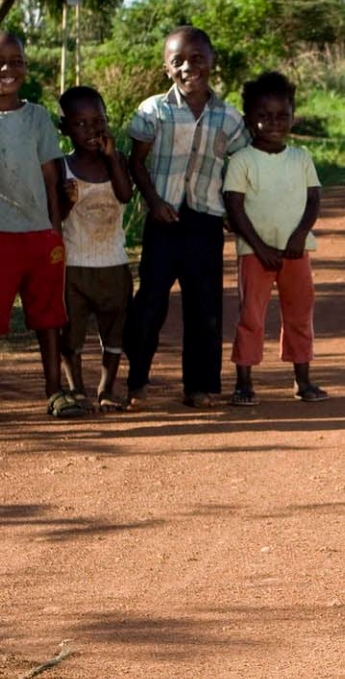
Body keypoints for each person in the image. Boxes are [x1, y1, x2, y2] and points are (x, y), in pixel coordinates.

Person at [0, 31, 81, 421]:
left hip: (41, 236)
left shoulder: (37, 116)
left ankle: (55, 391)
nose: (8, 69)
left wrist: (54, 229)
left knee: (49, 316)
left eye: (16, 61)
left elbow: (51, 177)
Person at [124, 26, 247, 410]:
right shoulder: (153, 110)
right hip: (164, 221)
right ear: (166, 68)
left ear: (211, 62)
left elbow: (241, 165)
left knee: (204, 306)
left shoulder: (229, 118)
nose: (187, 67)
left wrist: (231, 209)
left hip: (206, 222)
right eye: (177, 61)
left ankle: (199, 386)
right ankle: (136, 381)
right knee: (150, 302)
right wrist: (154, 201)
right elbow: (136, 162)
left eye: (197, 59)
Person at [223, 71, 326, 406]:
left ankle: (303, 381)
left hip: (296, 252)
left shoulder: (301, 158)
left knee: (299, 314)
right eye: (264, 116)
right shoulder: (242, 160)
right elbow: (234, 207)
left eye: (282, 115)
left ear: (293, 116)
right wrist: (259, 247)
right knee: (251, 316)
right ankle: (244, 384)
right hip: (255, 253)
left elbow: (313, 200)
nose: (274, 123)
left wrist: (299, 235)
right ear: (248, 119)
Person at [56, 85, 135, 410]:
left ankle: (106, 389)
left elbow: (125, 195)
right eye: (81, 124)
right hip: (74, 265)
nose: (92, 130)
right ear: (64, 129)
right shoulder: (62, 167)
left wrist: (112, 158)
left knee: (115, 331)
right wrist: (67, 199)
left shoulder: (117, 161)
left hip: (113, 263)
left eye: (98, 121)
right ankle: (76, 388)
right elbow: (57, 216)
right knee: (71, 333)